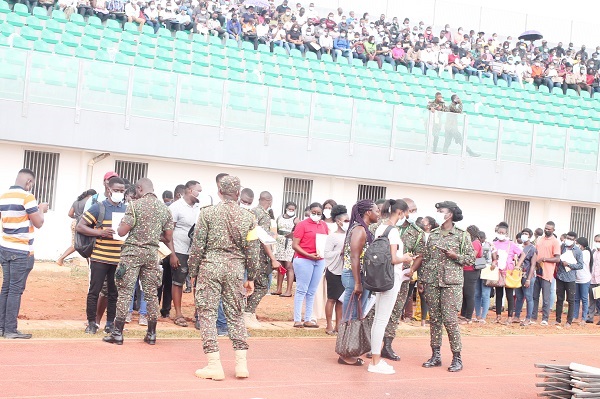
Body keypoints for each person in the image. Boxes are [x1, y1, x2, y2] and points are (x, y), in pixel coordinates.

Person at [189, 176, 260, 380]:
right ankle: (241, 365)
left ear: (219, 191)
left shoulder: (207, 213)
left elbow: (197, 246)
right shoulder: (249, 218)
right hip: (235, 270)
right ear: (238, 193)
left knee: (207, 314)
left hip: (210, 267)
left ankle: (214, 365)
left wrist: (193, 273)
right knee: (236, 314)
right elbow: (253, 251)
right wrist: (251, 277)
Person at [103, 178, 177, 346]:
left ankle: (117, 333)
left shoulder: (134, 206)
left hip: (132, 254)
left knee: (125, 292)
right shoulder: (164, 210)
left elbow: (122, 232)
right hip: (152, 254)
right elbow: (168, 237)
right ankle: (151, 334)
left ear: (139, 188)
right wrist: (150, 236)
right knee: (151, 294)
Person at [414, 201, 474, 372]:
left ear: (450, 214)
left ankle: (457, 357)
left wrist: (456, 256)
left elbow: (471, 259)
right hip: (432, 282)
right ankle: (436, 355)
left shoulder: (462, 235)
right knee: (434, 320)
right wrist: (421, 280)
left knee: (450, 320)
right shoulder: (432, 234)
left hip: (451, 284)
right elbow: (426, 258)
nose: (439, 213)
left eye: (442, 211)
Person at [0, 169, 49, 339]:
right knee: (15, 290)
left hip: (5, 247)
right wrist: (41, 208)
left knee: (6, 288)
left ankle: (2, 327)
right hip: (20, 250)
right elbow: (39, 223)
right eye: (32, 184)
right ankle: (10, 330)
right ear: (29, 182)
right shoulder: (27, 197)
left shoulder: (4, 195)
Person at [369, 200, 415, 375]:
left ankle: (375, 358)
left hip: (380, 277)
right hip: (390, 278)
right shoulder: (394, 231)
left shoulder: (381, 227)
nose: (407, 216)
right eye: (407, 212)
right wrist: (407, 258)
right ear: (401, 212)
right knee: (382, 320)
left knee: (377, 320)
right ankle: (375, 362)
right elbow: (394, 259)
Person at [76, 177, 126, 334]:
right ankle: (92, 323)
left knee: (114, 293)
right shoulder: (99, 208)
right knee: (94, 291)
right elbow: (80, 226)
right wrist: (100, 232)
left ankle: (110, 323)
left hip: (118, 258)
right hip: (99, 257)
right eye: (116, 190)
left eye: (122, 191)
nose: (119, 193)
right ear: (109, 189)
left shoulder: (127, 209)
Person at [378, 197, 424, 362]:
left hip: (401, 278)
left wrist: (411, 270)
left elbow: (420, 254)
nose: (411, 213)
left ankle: (387, 345)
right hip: (380, 275)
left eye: (414, 210)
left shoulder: (416, 232)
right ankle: (371, 344)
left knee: (395, 311)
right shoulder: (381, 226)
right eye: (409, 210)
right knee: (374, 310)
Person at [338, 199, 380, 366]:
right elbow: (355, 257)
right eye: (376, 210)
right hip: (355, 277)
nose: (378, 213)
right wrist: (357, 283)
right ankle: (345, 354)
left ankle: (350, 350)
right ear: (368, 212)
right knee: (352, 315)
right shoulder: (359, 230)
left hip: (358, 276)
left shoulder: (361, 228)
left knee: (355, 315)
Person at [244, 191, 281, 329]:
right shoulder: (263, 215)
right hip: (259, 256)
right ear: (270, 201)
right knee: (261, 286)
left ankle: (249, 314)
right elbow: (263, 239)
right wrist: (273, 258)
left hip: (250, 254)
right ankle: (248, 313)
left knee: (252, 284)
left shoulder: (252, 211)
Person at [169, 180, 202, 328]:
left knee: (199, 283)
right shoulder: (176, 207)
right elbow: (169, 232)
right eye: (197, 191)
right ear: (189, 191)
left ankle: (198, 315)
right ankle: (178, 314)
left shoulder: (199, 208)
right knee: (178, 282)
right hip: (180, 250)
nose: (199, 193)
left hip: (196, 251)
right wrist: (172, 254)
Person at [291, 202, 329, 328]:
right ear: (309, 212)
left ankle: (308, 318)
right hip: (303, 259)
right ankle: (297, 319)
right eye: (314, 213)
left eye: (319, 213)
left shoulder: (324, 225)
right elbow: (295, 245)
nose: (316, 215)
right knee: (302, 289)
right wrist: (308, 255)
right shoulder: (302, 225)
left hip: (319, 260)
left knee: (312, 291)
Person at [490, 222, 522, 324]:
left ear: (506, 233)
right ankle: (498, 316)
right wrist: (494, 262)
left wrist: (518, 265)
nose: (500, 233)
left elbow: (523, 253)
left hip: (509, 272)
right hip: (498, 271)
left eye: (502, 232)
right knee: (499, 294)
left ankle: (509, 317)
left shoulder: (511, 244)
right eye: (499, 232)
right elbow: (493, 256)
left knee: (509, 295)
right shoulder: (494, 244)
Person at [324, 205, 348, 335]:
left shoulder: (349, 235)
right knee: (332, 298)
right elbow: (327, 253)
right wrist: (340, 252)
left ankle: (339, 325)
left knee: (341, 299)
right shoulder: (332, 236)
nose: (347, 223)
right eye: (345, 221)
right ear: (338, 222)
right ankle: (329, 325)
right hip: (333, 270)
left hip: (345, 271)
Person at [56, 189, 97, 266]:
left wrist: (77, 217)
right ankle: (61, 258)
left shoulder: (76, 202)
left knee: (79, 244)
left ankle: (89, 265)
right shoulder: (90, 202)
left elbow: (70, 214)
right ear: (92, 196)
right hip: (84, 225)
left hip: (74, 223)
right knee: (82, 244)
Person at [533, 222, 562, 326]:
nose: (547, 230)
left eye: (549, 229)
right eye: (546, 228)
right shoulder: (540, 239)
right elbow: (535, 253)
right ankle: (533, 317)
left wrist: (544, 259)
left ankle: (545, 318)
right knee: (534, 296)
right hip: (537, 272)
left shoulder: (555, 242)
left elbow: (557, 258)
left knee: (545, 298)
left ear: (553, 230)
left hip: (547, 273)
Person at [555, 232, 584, 328]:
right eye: (567, 238)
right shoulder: (562, 247)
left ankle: (569, 321)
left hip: (570, 278)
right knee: (559, 299)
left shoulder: (578, 251)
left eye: (571, 239)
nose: (568, 240)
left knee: (571, 300)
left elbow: (580, 265)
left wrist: (569, 265)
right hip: (560, 276)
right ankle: (557, 319)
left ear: (574, 240)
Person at [274, 201, 299, 297]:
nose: (291, 211)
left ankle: (288, 290)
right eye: (290, 209)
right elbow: (275, 229)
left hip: (289, 244)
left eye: (293, 210)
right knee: (280, 266)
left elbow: (298, 231)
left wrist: (291, 235)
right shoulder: (279, 218)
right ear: (286, 208)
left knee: (289, 266)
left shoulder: (296, 219)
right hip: (279, 243)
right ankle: (278, 289)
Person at [513, 229, 538, 326]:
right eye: (523, 234)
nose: (524, 235)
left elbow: (533, 265)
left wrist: (528, 278)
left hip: (528, 275)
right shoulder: (519, 247)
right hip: (518, 276)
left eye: (526, 234)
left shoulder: (532, 248)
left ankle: (528, 318)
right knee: (519, 297)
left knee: (528, 297)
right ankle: (517, 316)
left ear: (530, 236)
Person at [459, 225, 482, 324]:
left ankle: (468, 317)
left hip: (471, 271)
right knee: (465, 293)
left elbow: (472, 256)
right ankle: (463, 315)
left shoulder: (476, 243)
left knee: (469, 294)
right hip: (466, 269)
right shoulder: (471, 242)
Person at [473, 231, 492, 323]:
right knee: (477, 294)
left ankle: (483, 316)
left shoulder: (489, 246)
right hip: (477, 270)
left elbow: (492, 259)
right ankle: (477, 315)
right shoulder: (475, 245)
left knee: (485, 294)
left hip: (486, 271)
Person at [573, 237, 592, 325]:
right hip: (577, 279)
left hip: (584, 279)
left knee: (584, 299)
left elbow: (577, 261)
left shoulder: (586, 253)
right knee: (576, 299)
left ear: (581, 245)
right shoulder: (579, 252)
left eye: (577, 244)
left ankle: (584, 318)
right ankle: (575, 316)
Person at [588, 234, 600, 324]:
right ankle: (590, 317)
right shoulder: (593, 252)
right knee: (592, 299)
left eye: (599, 241)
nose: (597, 243)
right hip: (592, 279)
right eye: (596, 241)